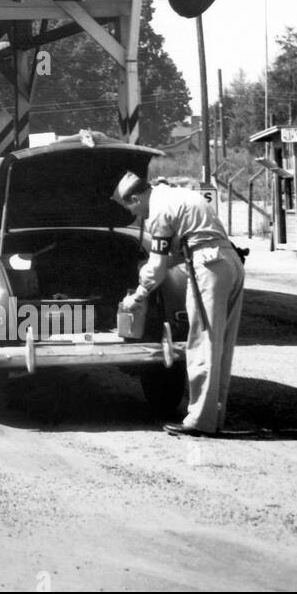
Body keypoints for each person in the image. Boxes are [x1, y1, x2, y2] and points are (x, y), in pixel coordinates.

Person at [114, 172, 245, 436]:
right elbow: (180, 249)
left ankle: (200, 421)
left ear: (136, 198)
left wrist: (137, 295)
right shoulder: (180, 195)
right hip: (231, 261)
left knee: (202, 343)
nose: (136, 216)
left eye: (132, 208)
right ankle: (214, 417)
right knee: (221, 345)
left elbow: (159, 268)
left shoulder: (159, 212)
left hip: (208, 265)